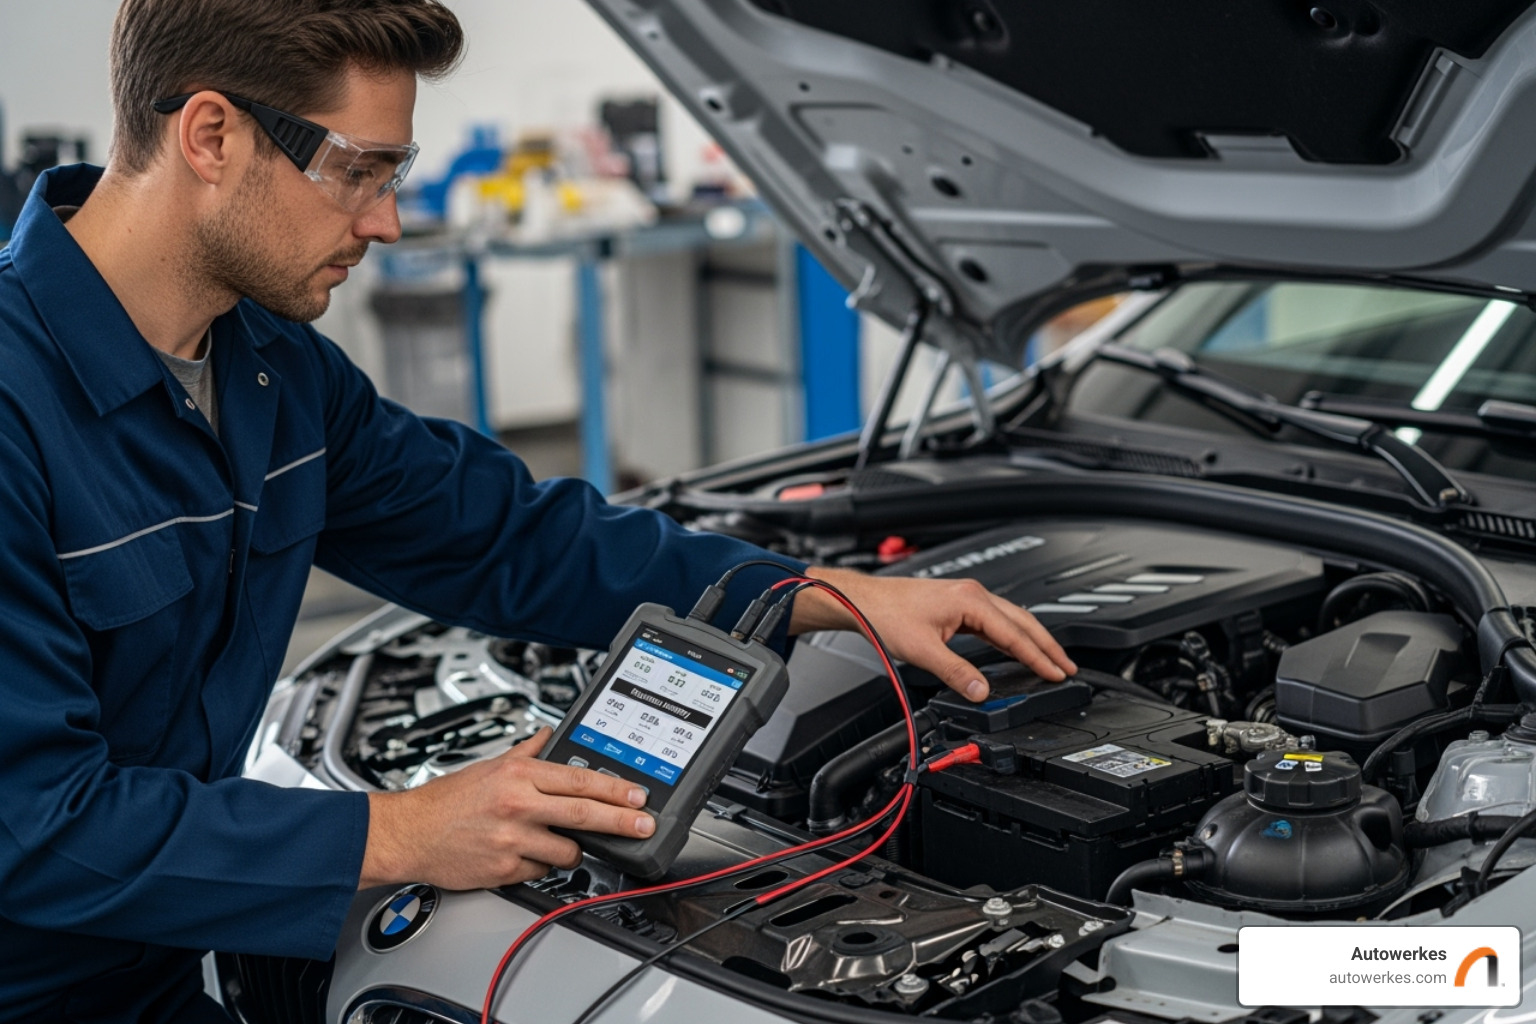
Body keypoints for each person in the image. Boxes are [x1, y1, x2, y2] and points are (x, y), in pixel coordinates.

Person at [0, 1, 1076, 1020]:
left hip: (147, 973)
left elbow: (506, 534)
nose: (385, 220)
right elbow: (32, 824)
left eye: (393, 173)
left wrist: (815, 593)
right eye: (358, 170)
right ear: (211, 136)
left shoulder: (269, 369)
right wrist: (403, 830)